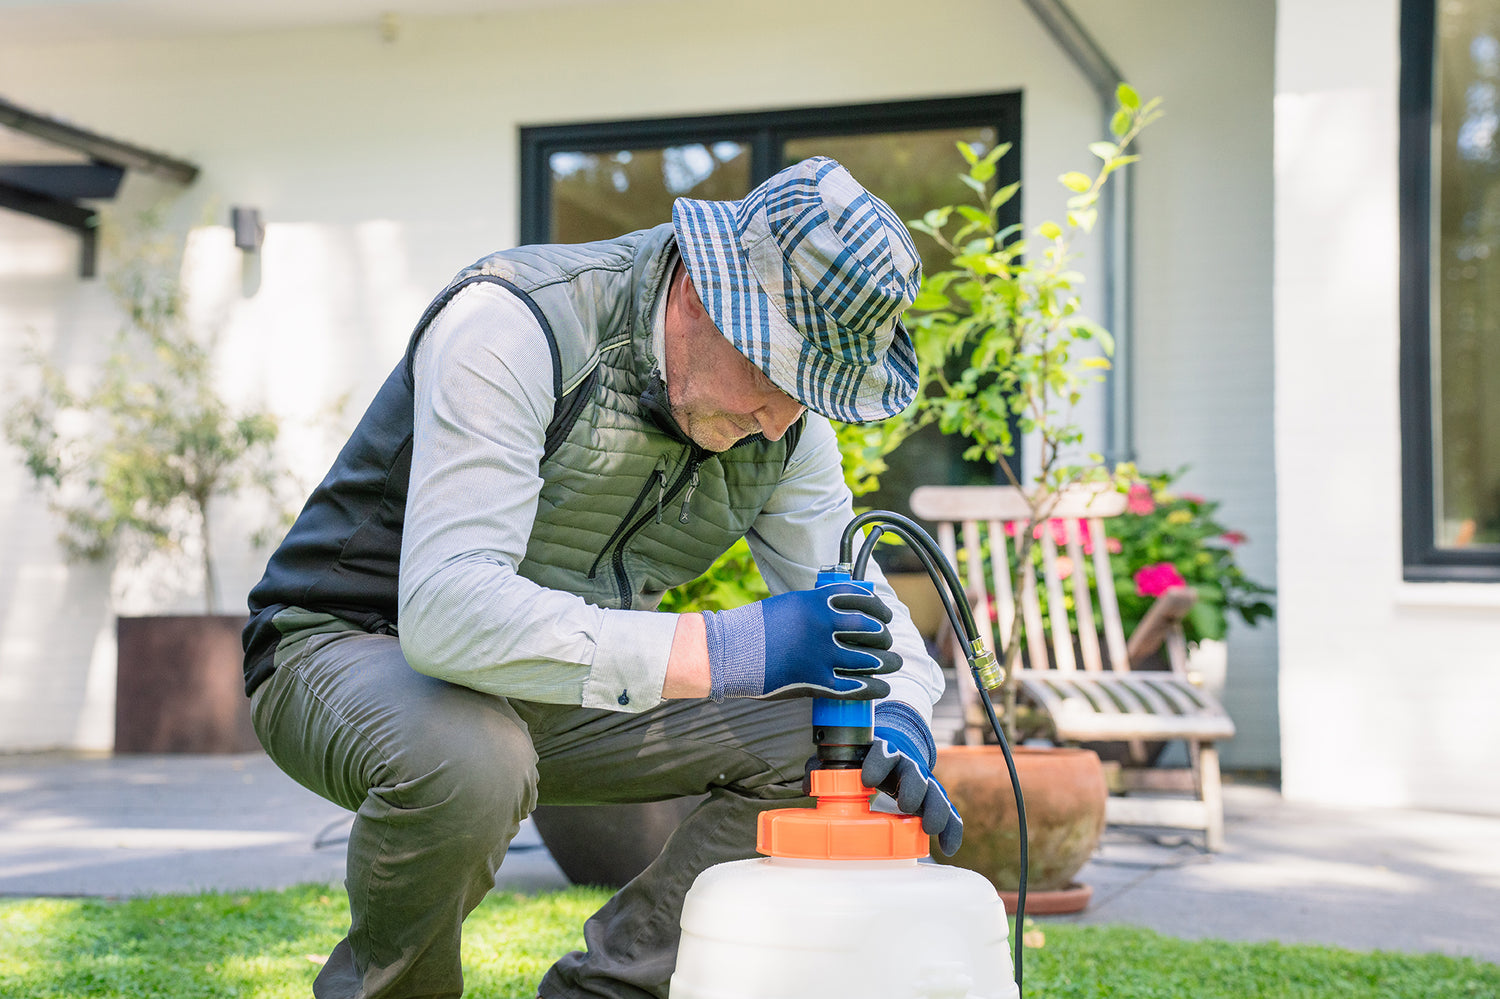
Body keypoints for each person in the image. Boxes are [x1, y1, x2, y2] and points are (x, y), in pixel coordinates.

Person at [242, 155, 962, 999]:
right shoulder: (513, 324)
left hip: (552, 684)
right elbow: (444, 612)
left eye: (811, 391)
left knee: (832, 745)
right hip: (348, 647)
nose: (782, 415)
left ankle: (608, 992)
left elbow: (874, 628)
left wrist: (901, 719)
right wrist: (732, 644)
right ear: (702, 290)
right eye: (776, 370)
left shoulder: (786, 429)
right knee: (473, 759)